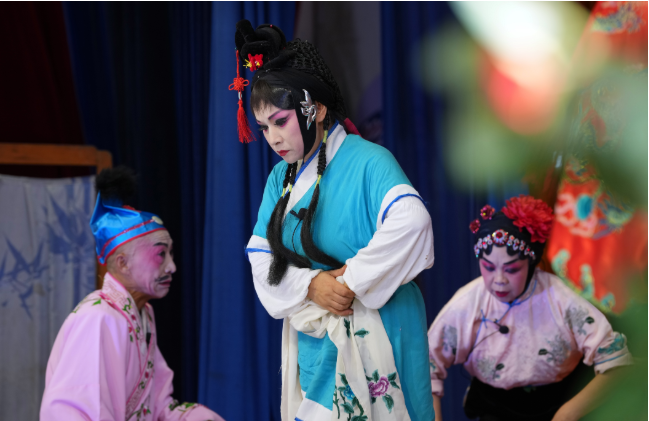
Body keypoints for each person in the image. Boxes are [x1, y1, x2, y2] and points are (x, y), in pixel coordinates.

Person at [234, 21, 435, 421]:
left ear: (318, 109)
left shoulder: (370, 161)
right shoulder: (280, 178)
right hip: (317, 334)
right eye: (264, 127)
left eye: (280, 121)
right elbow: (260, 254)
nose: (273, 138)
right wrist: (311, 284)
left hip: (381, 326)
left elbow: (412, 222)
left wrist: (349, 282)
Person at [40, 167, 224, 421]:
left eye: (170, 254)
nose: (172, 266)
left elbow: (157, 406)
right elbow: (74, 412)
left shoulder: (142, 314)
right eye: (160, 254)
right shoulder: (97, 318)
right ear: (123, 263)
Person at [427, 195, 633, 421]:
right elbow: (426, 367)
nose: (499, 280)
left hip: (560, 404)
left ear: (531, 263)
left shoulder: (561, 299)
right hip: (493, 409)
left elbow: (617, 362)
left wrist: (568, 413)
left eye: (511, 269)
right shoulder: (468, 303)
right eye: (488, 267)